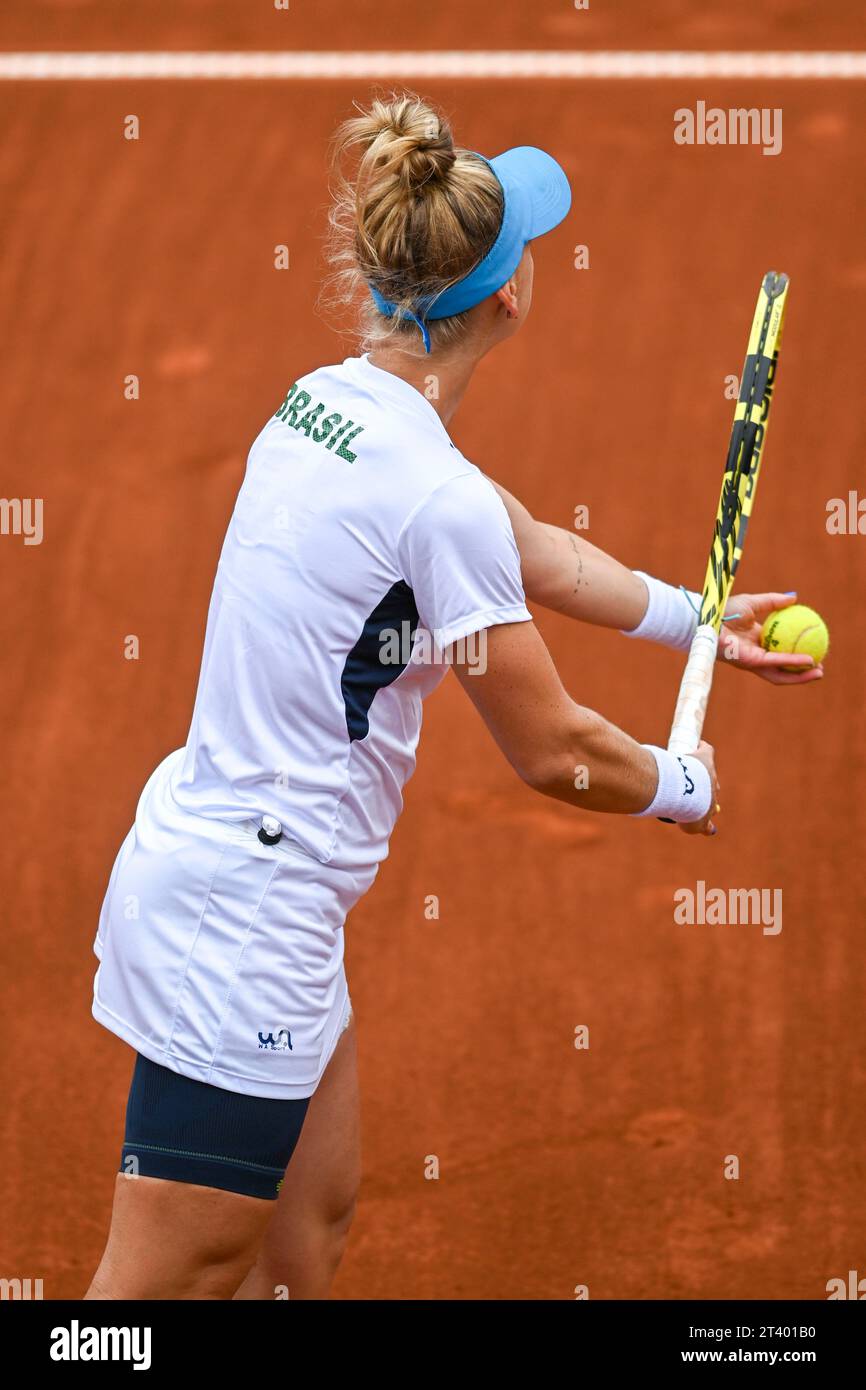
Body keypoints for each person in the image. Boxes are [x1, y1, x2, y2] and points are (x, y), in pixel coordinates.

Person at [86, 94, 820, 1301]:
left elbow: (525, 546)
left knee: (306, 1233)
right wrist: (677, 788)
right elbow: (554, 750)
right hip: (243, 917)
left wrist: (696, 617)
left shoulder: (322, 406)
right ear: (509, 295)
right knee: (159, 1291)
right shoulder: (433, 497)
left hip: (241, 874)